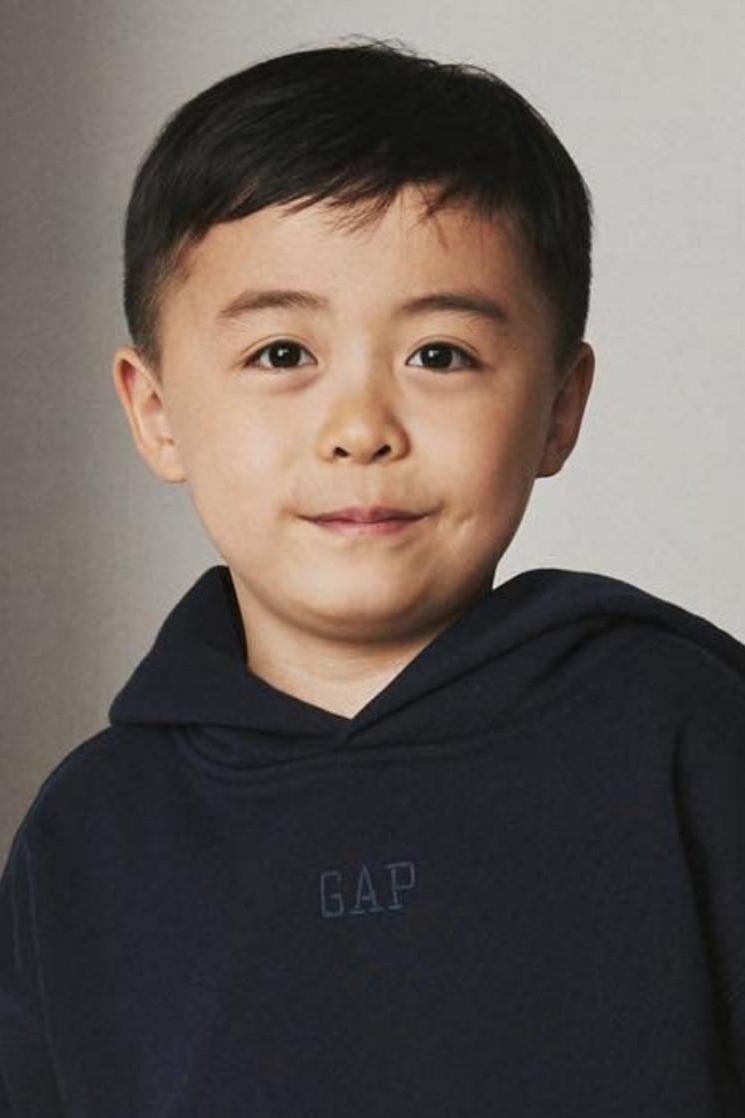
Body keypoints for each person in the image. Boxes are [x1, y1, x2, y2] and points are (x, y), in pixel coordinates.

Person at [1, 36, 744, 1117]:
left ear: (558, 406)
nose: (359, 427)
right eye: (282, 354)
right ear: (155, 411)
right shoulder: (90, 836)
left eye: (439, 355)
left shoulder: (681, 732)